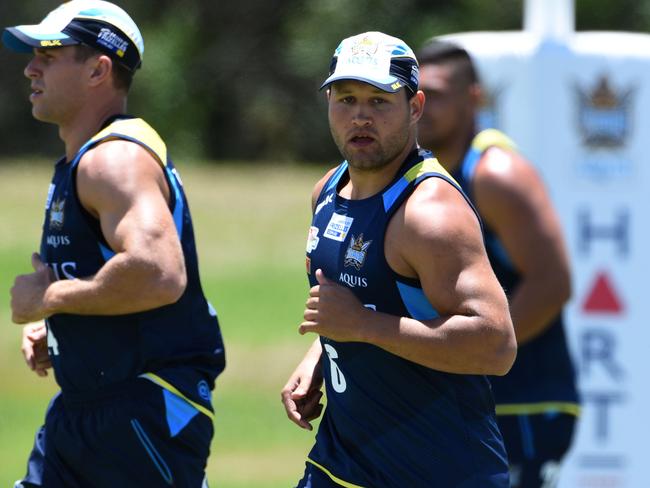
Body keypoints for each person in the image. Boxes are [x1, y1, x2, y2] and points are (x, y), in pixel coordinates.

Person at [281, 31, 517, 488]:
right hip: (342, 463)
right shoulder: (329, 190)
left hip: (438, 472)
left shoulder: (429, 214)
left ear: (415, 107)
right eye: (346, 99)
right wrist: (322, 354)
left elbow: (496, 343)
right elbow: (366, 301)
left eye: (379, 101)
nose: (360, 116)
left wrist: (361, 328)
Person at [4, 1, 225, 486]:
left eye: (50, 53)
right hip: (86, 407)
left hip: (141, 408)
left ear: (98, 69)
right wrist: (66, 324)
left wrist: (47, 299)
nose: (30, 67)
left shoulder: (114, 161)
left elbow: (158, 273)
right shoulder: (83, 159)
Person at [415, 39, 580, 488]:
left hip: (523, 399)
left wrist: (472, 353)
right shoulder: (419, 175)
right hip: (463, 399)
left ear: (475, 97)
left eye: (439, 94)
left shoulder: (494, 173)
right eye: (415, 94)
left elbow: (553, 283)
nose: (423, 107)